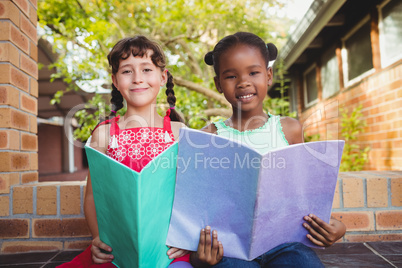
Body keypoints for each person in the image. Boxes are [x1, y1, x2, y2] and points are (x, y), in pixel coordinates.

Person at [189, 32, 346, 267]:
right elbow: (197, 204)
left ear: (269, 75)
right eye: (231, 76)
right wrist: (199, 255)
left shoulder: (289, 129)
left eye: (254, 72)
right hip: (230, 247)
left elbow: (307, 191)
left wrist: (336, 225)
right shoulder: (207, 136)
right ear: (218, 84)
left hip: (285, 242)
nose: (243, 82)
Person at [58, 35, 189, 267]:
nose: (138, 79)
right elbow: (93, 196)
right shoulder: (103, 135)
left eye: (147, 69)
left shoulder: (180, 133)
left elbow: (191, 195)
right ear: (115, 81)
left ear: (163, 76)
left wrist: (186, 237)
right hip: (118, 249)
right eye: (127, 71)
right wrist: (98, 238)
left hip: (169, 250)